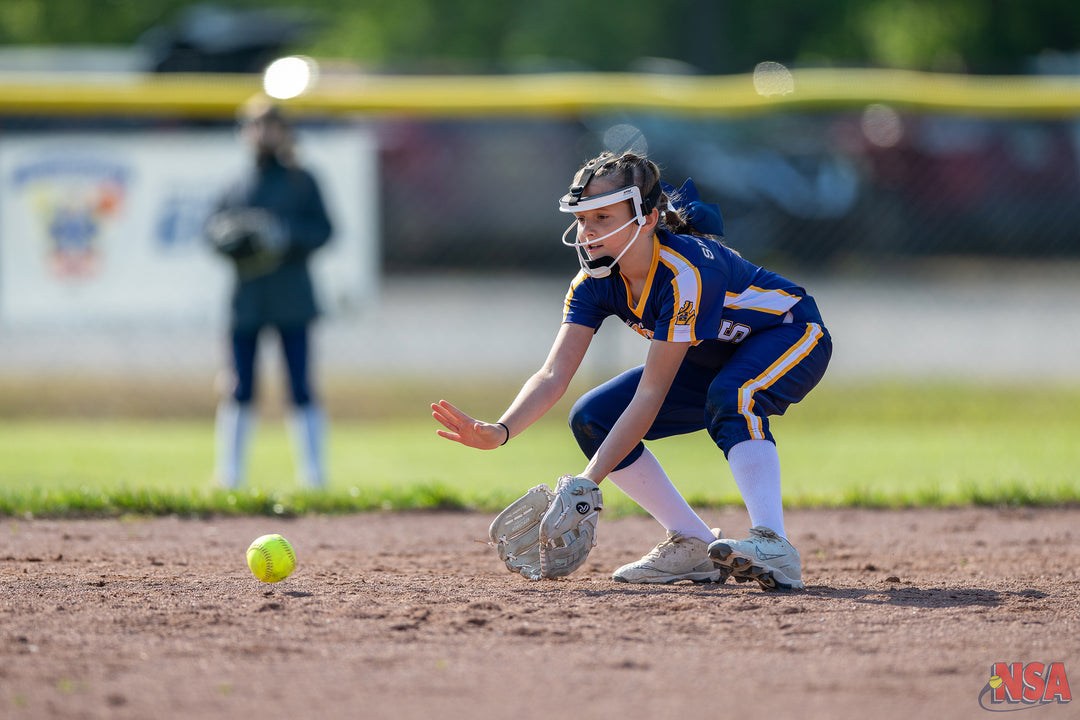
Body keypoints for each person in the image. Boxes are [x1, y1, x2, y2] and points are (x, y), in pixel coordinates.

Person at [432, 151, 831, 590]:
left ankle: (774, 544)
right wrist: (501, 431)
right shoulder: (594, 283)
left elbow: (651, 393)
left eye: (602, 216)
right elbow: (553, 375)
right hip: (713, 357)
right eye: (582, 219)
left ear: (647, 219)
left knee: (734, 396)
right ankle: (692, 543)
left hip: (792, 334)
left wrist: (587, 483)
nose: (588, 231)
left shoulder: (685, 271)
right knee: (593, 417)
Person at [206, 97, 333, 490]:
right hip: (247, 300)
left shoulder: (301, 180)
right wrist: (231, 238)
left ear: (284, 132)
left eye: (271, 125)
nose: (263, 133)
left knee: (300, 386)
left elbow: (325, 231)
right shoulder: (235, 183)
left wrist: (284, 235)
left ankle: (313, 477)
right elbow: (211, 232)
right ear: (245, 132)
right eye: (255, 125)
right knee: (239, 387)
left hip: (292, 297)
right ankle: (229, 476)